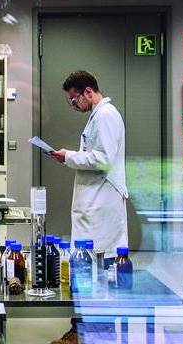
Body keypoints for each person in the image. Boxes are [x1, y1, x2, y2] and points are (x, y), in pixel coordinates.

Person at [50, 70, 128, 344]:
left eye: (74, 100)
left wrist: (68, 156)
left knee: (97, 278)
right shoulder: (99, 116)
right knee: (86, 274)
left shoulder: (106, 116)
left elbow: (104, 160)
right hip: (94, 206)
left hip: (101, 208)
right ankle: (81, 330)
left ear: (87, 92)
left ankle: (96, 335)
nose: (73, 105)